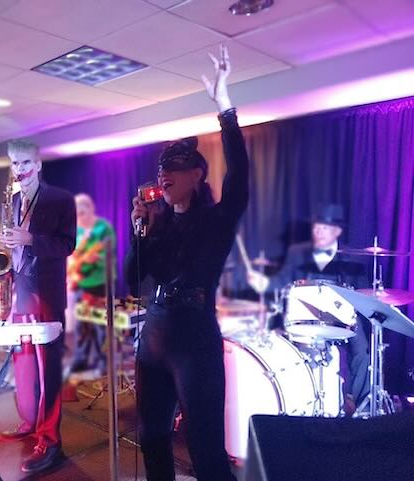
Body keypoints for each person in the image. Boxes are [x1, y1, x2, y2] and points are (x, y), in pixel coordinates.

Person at [126, 45, 245, 481]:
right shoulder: (159, 225)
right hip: (155, 333)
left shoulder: (216, 221)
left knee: (205, 448)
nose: (164, 175)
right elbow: (132, 281)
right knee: (152, 438)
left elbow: (239, 177)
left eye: (174, 167)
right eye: (161, 170)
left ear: (197, 175)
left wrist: (225, 107)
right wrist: (140, 232)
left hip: (194, 337)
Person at [0, 140, 76, 474]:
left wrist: (30, 239)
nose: (20, 169)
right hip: (21, 292)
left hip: (46, 293)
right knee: (25, 366)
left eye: (26, 162)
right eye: (15, 164)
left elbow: (68, 244)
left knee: (48, 372)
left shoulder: (60, 198)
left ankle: (51, 441)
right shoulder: (14, 200)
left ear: (38, 164)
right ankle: (30, 422)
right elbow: (13, 251)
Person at [247, 203, 371, 412]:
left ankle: (361, 408)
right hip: (304, 315)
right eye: (316, 227)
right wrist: (264, 282)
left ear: (337, 231)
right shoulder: (296, 254)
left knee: (363, 352)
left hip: (344, 317)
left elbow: (364, 295)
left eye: (324, 228)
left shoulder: (353, 259)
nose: (318, 232)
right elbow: (281, 283)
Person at [68, 193, 116, 375]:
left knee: (101, 325)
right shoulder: (76, 230)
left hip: (101, 283)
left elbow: (108, 255)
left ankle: (103, 360)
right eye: (77, 214)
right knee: (82, 325)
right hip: (81, 284)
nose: (80, 217)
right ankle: (81, 359)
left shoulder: (103, 228)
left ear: (91, 210)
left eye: (82, 213)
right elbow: (71, 255)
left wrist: (92, 260)